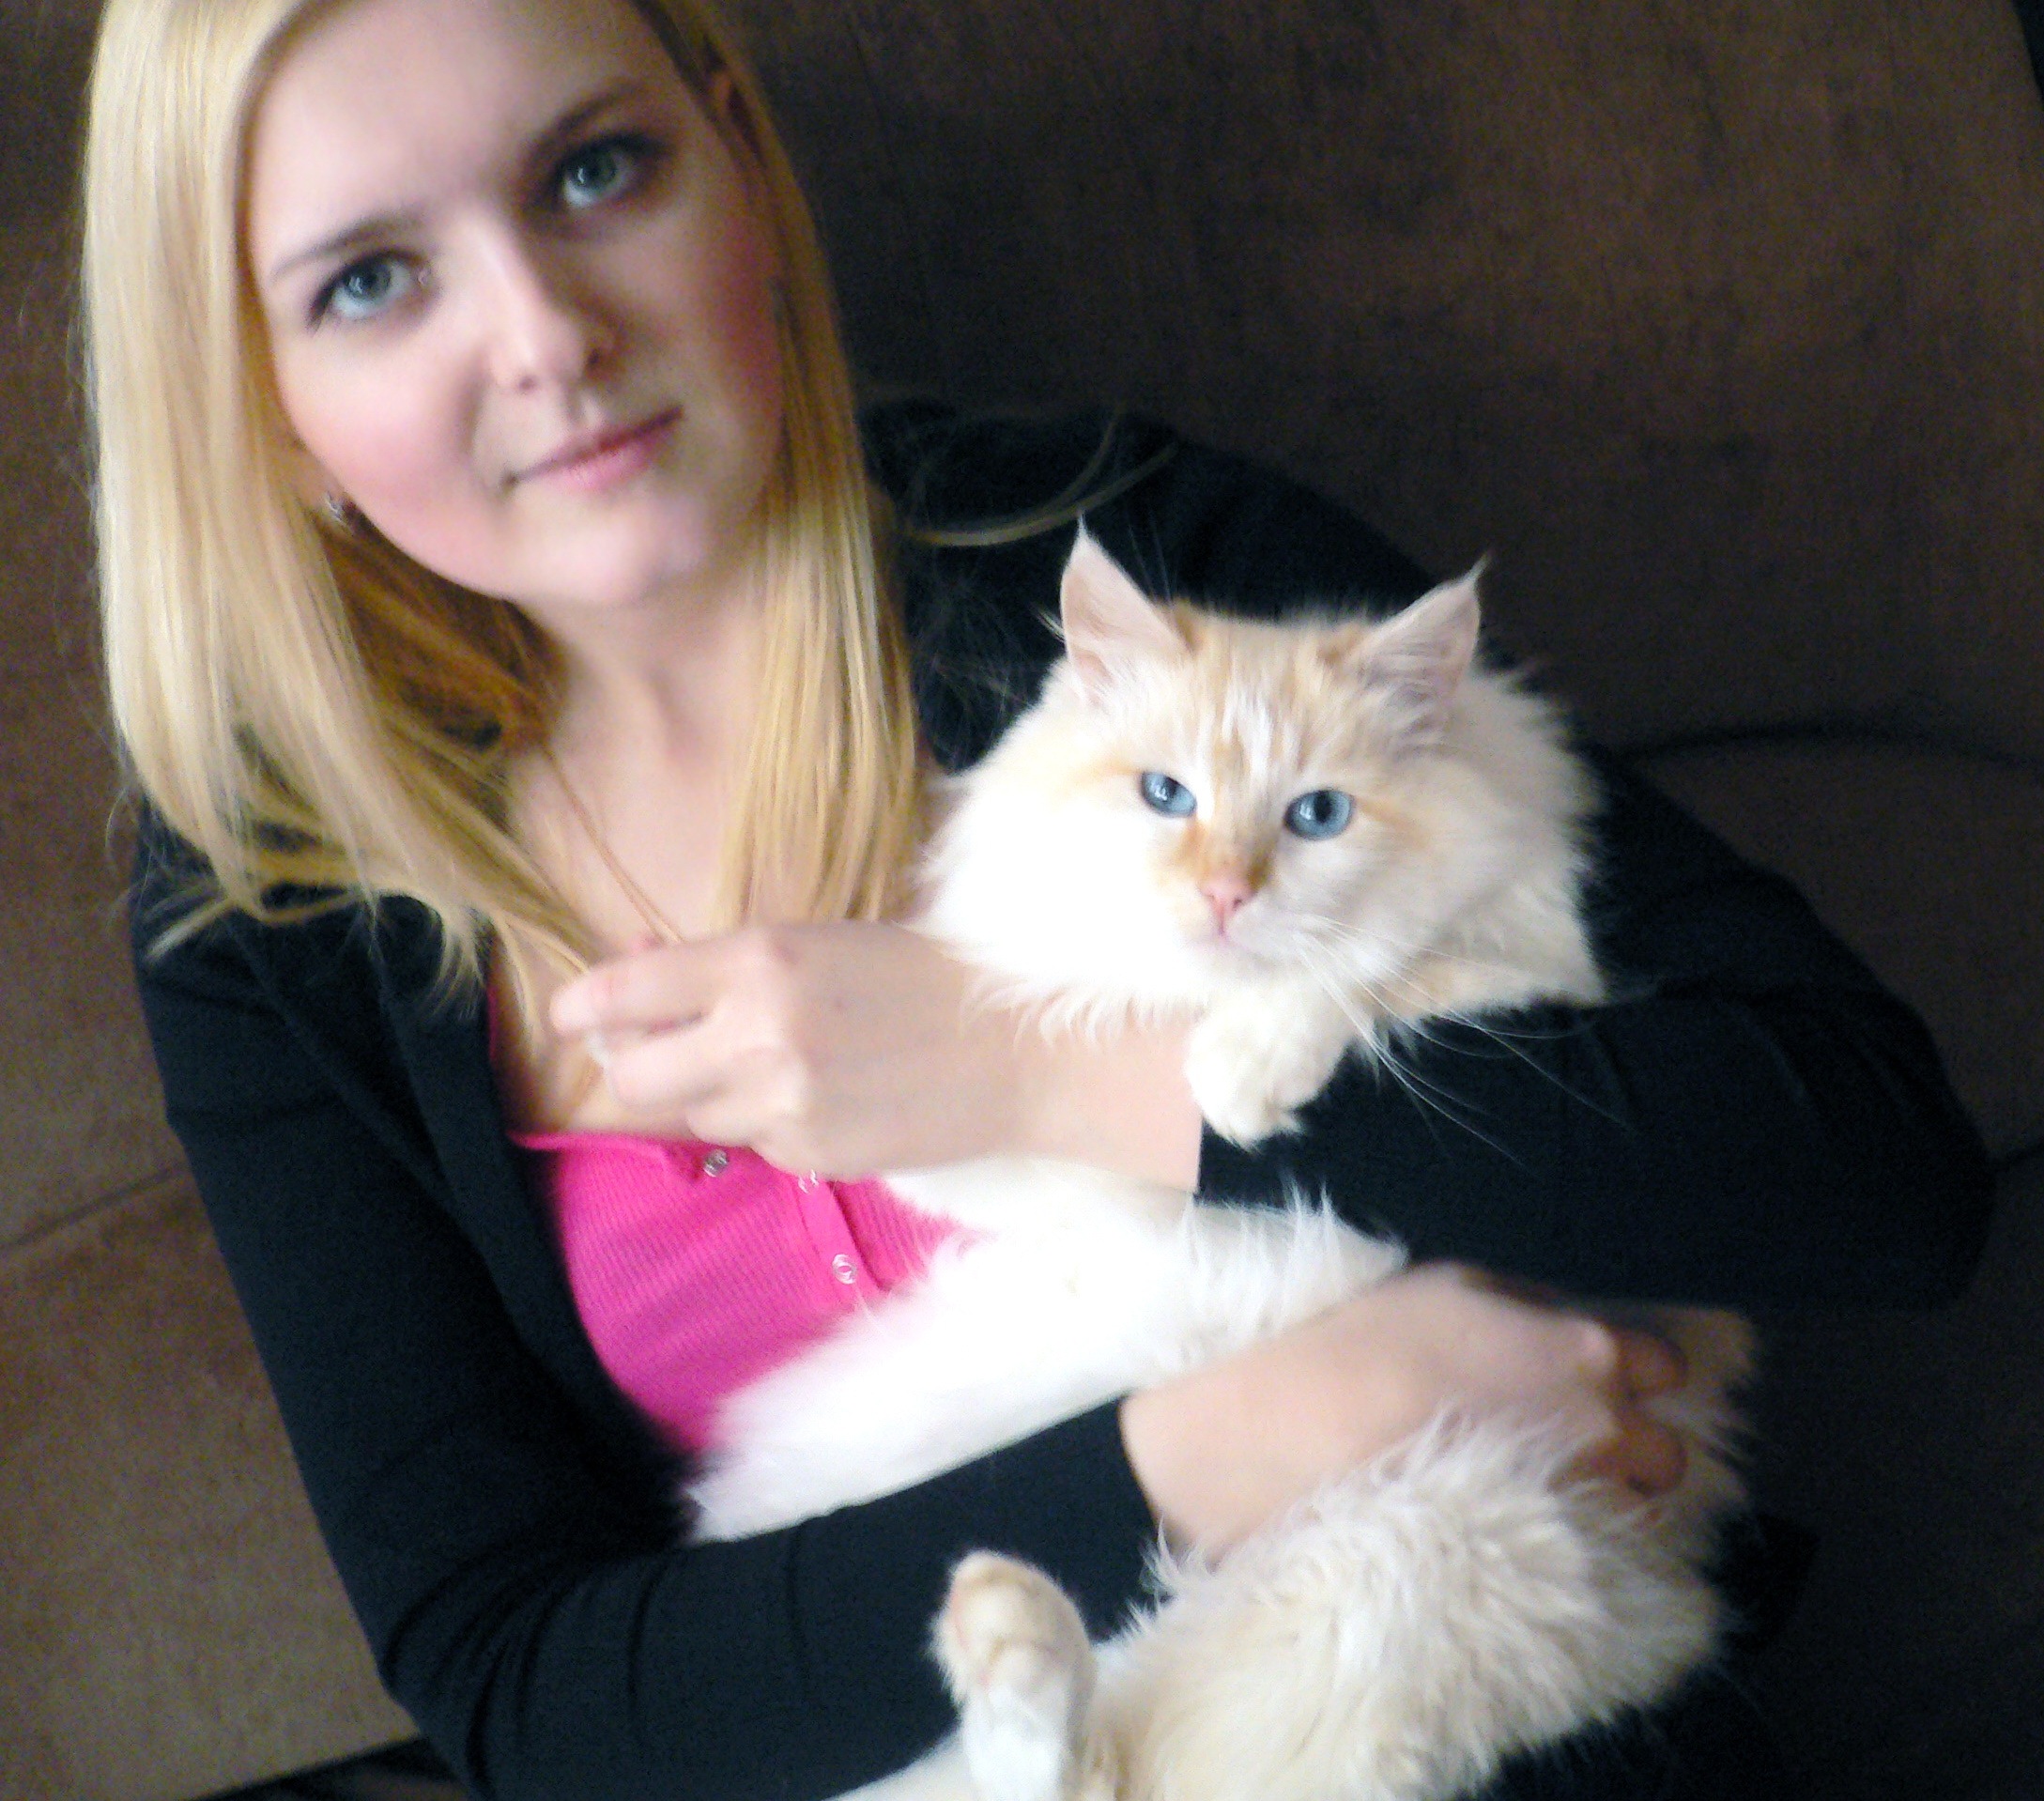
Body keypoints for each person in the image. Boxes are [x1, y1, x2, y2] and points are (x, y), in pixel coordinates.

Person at [81, 0, 1993, 1794]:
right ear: (259, 401)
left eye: (594, 171)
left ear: (736, 164)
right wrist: (1263, 1430)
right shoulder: (266, 902)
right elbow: (526, 1689)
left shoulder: (1142, 576)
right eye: (370, 280)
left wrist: (1066, 1079)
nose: (544, 335)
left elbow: (1873, 1163)